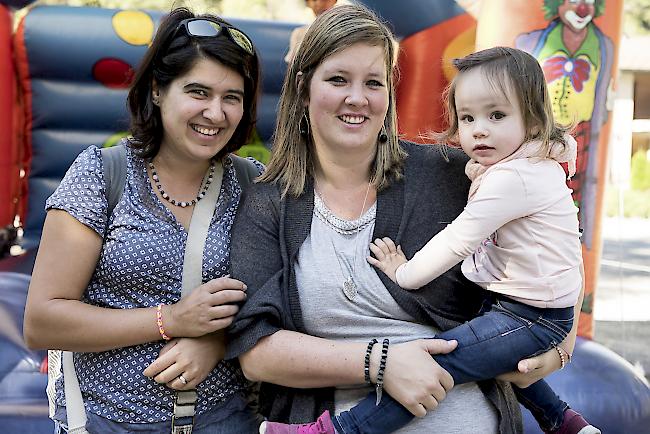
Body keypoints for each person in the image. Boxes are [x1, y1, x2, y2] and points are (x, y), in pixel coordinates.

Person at [226, 5, 576, 434]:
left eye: (373, 83)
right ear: (303, 87)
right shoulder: (270, 203)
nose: (357, 98)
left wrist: (563, 344)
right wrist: (380, 362)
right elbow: (257, 352)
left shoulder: (453, 171)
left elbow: (555, 231)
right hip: (340, 417)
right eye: (338, 80)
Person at [23, 7, 262, 434]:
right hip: (105, 421)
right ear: (157, 89)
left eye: (232, 97)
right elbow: (43, 320)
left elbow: (278, 300)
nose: (216, 112)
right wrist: (170, 320)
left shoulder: (252, 184)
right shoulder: (102, 175)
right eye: (198, 92)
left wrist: (217, 340)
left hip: (225, 419)